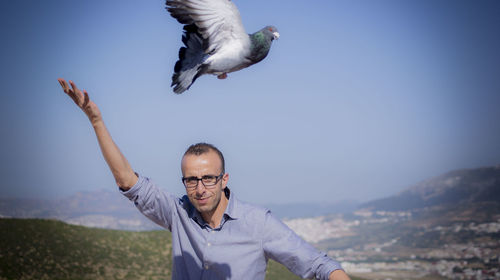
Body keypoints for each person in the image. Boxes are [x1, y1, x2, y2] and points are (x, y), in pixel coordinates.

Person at [57, 78, 351, 280]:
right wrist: (96, 120)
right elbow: (128, 182)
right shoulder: (178, 213)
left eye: (208, 179)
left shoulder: (257, 223)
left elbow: (317, 265)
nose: (199, 189)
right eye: (191, 180)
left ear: (224, 179)